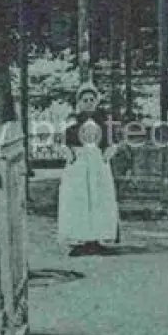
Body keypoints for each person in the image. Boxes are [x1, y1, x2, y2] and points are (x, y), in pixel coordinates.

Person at [58, 82, 121, 255]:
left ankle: (97, 239)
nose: (88, 103)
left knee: (99, 199)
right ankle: (80, 239)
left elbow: (112, 143)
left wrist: (107, 154)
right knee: (79, 200)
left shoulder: (104, 123)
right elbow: (63, 143)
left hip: (98, 166)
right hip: (78, 167)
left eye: (91, 100)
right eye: (84, 100)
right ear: (79, 102)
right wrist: (69, 154)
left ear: (96, 102)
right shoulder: (72, 122)